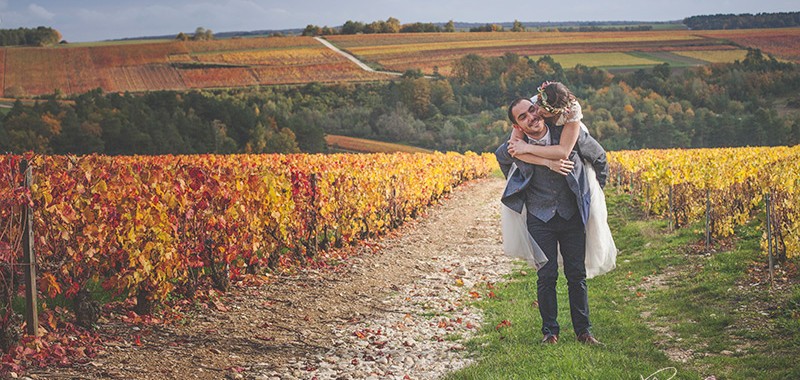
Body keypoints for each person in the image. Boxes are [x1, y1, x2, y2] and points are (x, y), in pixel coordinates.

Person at [495, 94, 609, 345]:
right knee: (546, 275)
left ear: (541, 109)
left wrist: (595, 191)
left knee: (576, 274)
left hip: (571, 215)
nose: (531, 117)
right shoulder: (516, 145)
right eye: (522, 117)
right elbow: (502, 157)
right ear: (517, 126)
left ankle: (584, 331)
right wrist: (532, 170)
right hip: (539, 216)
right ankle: (550, 332)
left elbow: (599, 156)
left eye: (532, 110)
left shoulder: (568, 134)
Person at [510, 81, 617, 278]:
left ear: (556, 112)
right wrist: (546, 163)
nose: (538, 113)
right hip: (541, 209)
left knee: (576, 272)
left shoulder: (572, 114)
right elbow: (514, 148)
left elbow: (564, 151)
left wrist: (597, 186)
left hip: (567, 140)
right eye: (537, 108)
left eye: (543, 111)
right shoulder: (533, 106)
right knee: (546, 274)